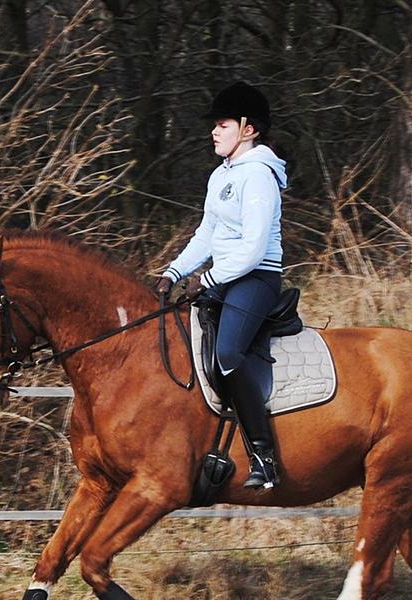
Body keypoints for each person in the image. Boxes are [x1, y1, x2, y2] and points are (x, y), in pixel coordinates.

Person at [157, 82, 289, 491]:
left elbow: (251, 249)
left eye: (223, 124)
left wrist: (208, 278)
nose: (214, 131)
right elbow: (207, 235)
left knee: (228, 351)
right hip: (226, 276)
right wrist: (174, 272)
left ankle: (264, 457)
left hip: (256, 278)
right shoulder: (221, 176)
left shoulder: (261, 176)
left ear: (248, 129)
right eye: (215, 125)